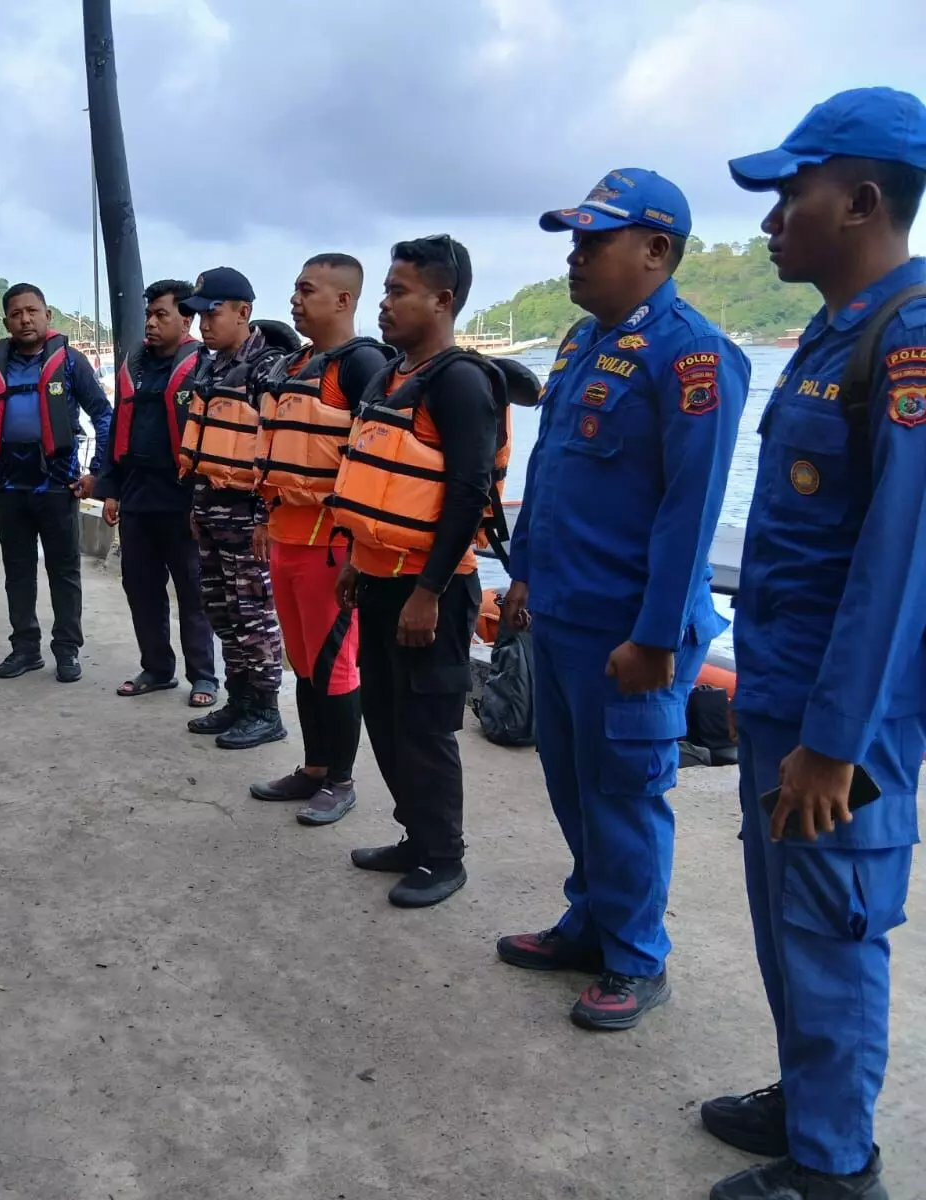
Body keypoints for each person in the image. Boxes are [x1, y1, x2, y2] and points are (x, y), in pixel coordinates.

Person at [699, 88, 926, 1200]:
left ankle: (836, 1168)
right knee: (786, 921)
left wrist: (833, 743)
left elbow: (898, 566)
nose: (770, 219)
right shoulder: (834, 334)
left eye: (792, 194)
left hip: (846, 723)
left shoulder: (908, 340)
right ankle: (807, 1099)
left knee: (832, 931)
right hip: (784, 695)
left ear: (864, 202)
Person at [496, 170, 749, 1031]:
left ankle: (637, 958)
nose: (576, 257)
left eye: (595, 241)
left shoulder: (694, 354)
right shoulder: (581, 341)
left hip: (632, 630)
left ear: (655, 249)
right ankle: (591, 921)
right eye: (575, 241)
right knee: (572, 785)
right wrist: (523, 570)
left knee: (626, 794)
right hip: (564, 611)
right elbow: (549, 466)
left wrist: (656, 637)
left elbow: (691, 509)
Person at [335, 236, 503, 906]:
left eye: (398, 291)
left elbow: (466, 493)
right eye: (385, 289)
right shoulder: (390, 377)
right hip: (377, 578)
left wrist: (428, 591)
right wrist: (356, 559)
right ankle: (415, 835)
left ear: (443, 300)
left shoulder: (460, 381)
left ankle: (443, 857)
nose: (385, 303)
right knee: (383, 714)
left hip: (430, 587)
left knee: (426, 725)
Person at [249, 254, 390, 826]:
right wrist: (264, 519)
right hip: (286, 536)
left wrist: (359, 548)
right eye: (295, 289)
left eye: (307, 290)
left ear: (343, 300)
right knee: (304, 663)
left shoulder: (362, 365)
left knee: (334, 664)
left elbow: (375, 459)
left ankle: (341, 780)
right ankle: (313, 768)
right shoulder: (298, 364)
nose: (295, 300)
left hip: (330, 545)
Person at [178, 267, 294, 748]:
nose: (203, 324)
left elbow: (279, 449)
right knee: (222, 611)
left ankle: (266, 710)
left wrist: (267, 518)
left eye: (213, 313)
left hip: (248, 515)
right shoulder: (211, 366)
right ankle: (240, 700)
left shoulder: (268, 369)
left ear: (243, 312)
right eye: (199, 316)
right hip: (211, 508)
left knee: (253, 615)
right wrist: (197, 505)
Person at [0, 282, 112, 683]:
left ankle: (67, 650)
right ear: (6, 323)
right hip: (9, 486)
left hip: (58, 483)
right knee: (17, 572)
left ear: (48, 315)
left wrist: (96, 472)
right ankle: (25, 649)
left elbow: (103, 415)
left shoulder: (70, 362)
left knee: (64, 571)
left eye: (32, 311)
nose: (25, 319)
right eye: (16, 314)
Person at [94, 280, 218, 706]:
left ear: (186, 320)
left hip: (182, 498)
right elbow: (117, 428)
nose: (150, 322)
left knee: (193, 591)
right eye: (148, 314)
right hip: (137, 496)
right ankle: (157, 668)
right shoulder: (135, 365)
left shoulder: (203, 366)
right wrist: (111, 489)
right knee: (141, 587)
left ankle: (204, 676)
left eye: (161, 314)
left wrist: (204, 501)